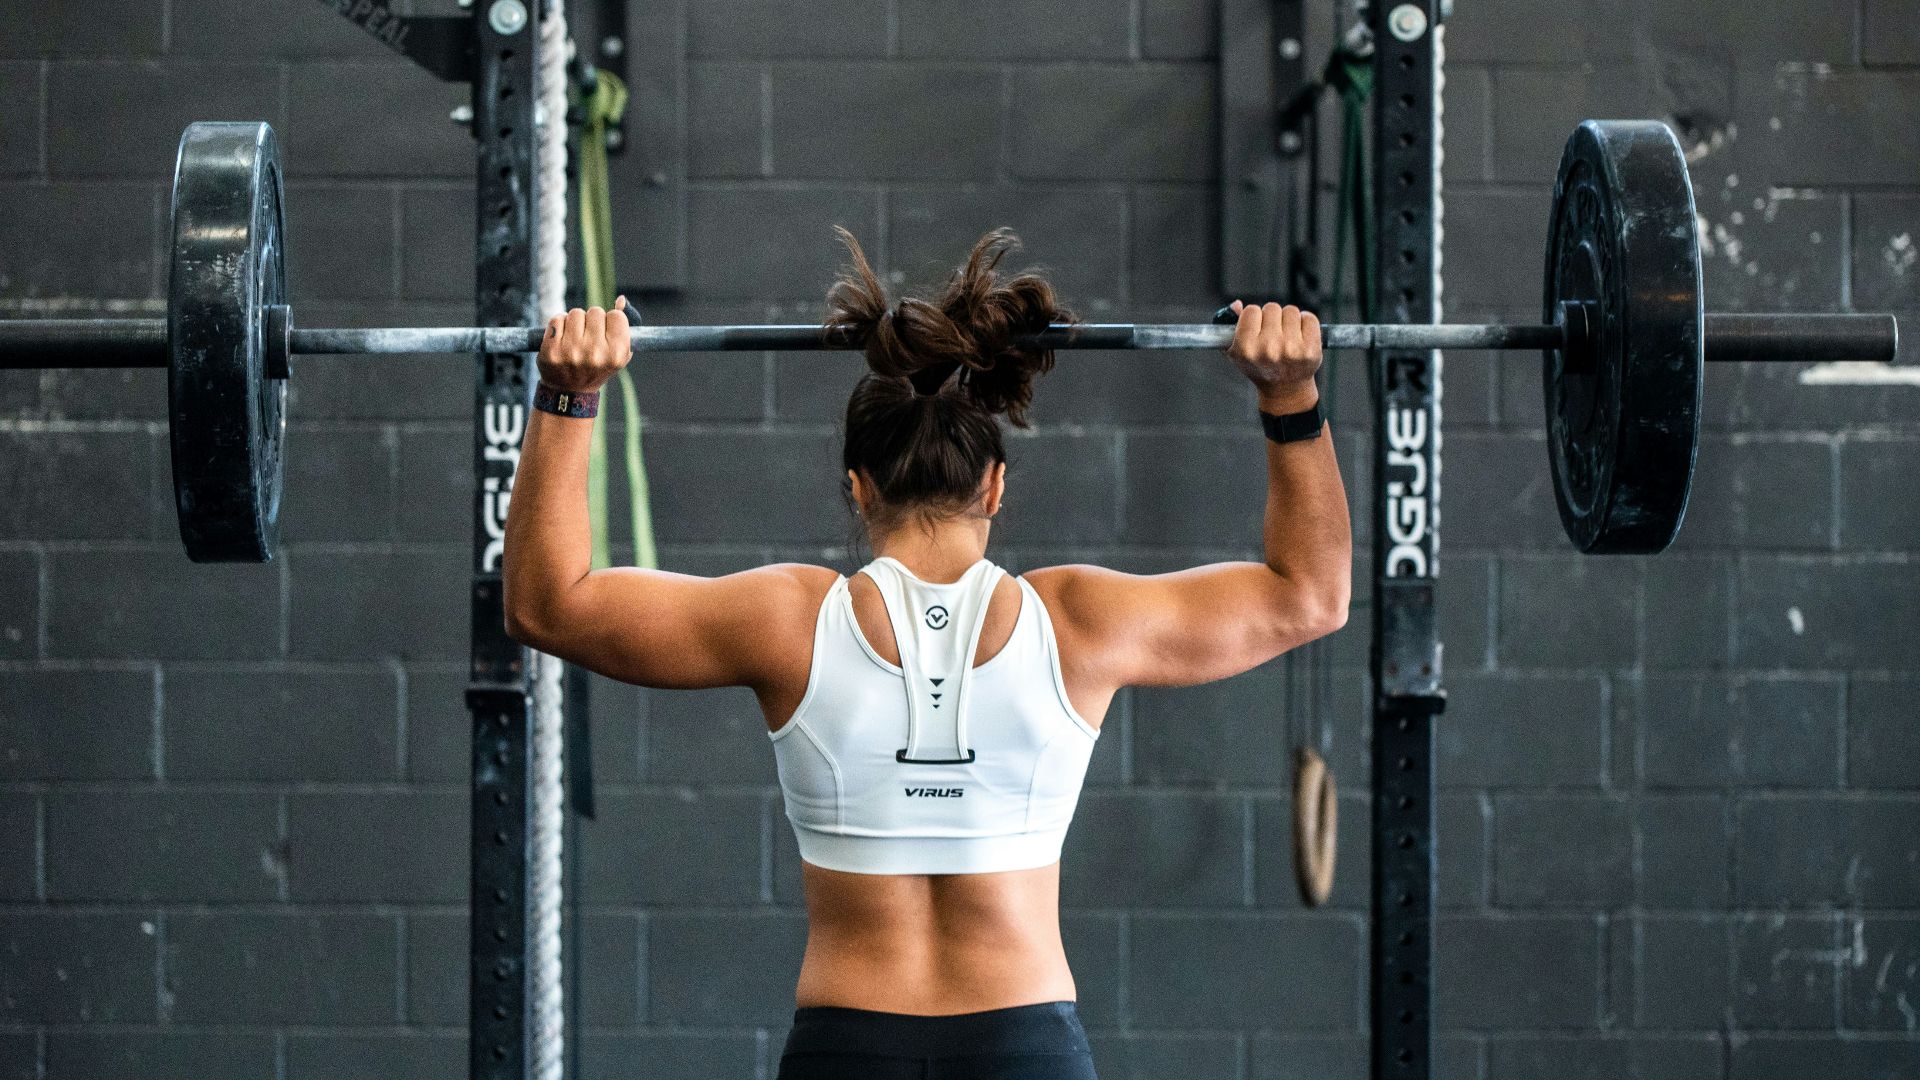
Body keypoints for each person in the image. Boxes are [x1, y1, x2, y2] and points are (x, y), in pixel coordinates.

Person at [502, 228, 1351, 1080]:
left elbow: (548, 605)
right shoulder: (1078, 621)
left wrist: (568, 396)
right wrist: (1291, 395)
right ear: (995, 484)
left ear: (857, 486)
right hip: (1027, 1048)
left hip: (849, 1047)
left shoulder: (789, 619)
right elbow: (1309, 596)